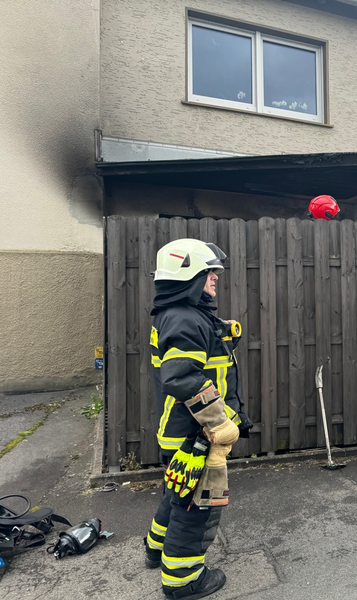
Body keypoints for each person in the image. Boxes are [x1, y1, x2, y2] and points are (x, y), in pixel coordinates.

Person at [144, 238, 252, 599]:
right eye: (209, 273)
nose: (215, 279)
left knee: (175, 493)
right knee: (197, 506)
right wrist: (219, 423)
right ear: (188, 276)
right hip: (197, 435)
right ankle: (183, 579)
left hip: (179, 434)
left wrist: (221, 332)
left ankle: (156, 548)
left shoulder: (181, 316)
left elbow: (194, 355)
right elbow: (183, 376)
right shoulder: (186, 320)